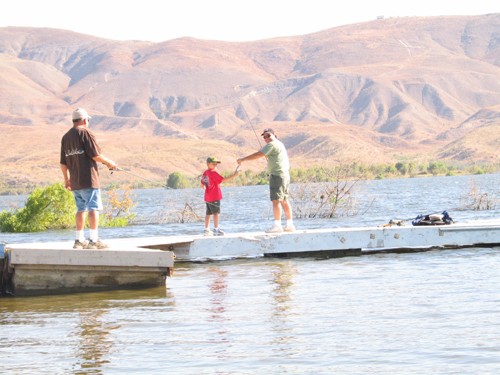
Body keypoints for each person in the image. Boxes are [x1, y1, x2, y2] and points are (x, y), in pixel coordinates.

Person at [60, 108, 117, 249]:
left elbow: (63, 163)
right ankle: (93, 240)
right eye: (88, 120)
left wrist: (67, 180)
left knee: (81, 209)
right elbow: (95, 155)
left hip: (75, 181)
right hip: (89, 179)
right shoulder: (85, 133)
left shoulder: (65, 137)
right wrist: (110, 163)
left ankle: (79, 241)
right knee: (93, 208)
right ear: (85, 120)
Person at [237, 128, 295, 233]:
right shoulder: (279, 144)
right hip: (284, 175)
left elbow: (259, 154)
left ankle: (277, 226)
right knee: (284, 200)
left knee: (276, 200)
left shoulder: (272, 144)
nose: (266, 138)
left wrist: (243, 159)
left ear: (274, 135)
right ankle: (289, 225)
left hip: (277, 175)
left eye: (268, 135)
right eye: (264, 137)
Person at [201, 156, 239, 236]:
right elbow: (223, 180)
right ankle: (216, 229)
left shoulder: (205, 173)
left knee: (208, 213)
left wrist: (206, 189)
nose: (215, 165)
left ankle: (206, 230)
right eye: (213, 164)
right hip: (214, 197)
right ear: (208, 164)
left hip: (207, 197)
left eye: (216, 164)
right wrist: (235, 175)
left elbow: (202, 184)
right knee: (216, 213)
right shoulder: (213, 173)